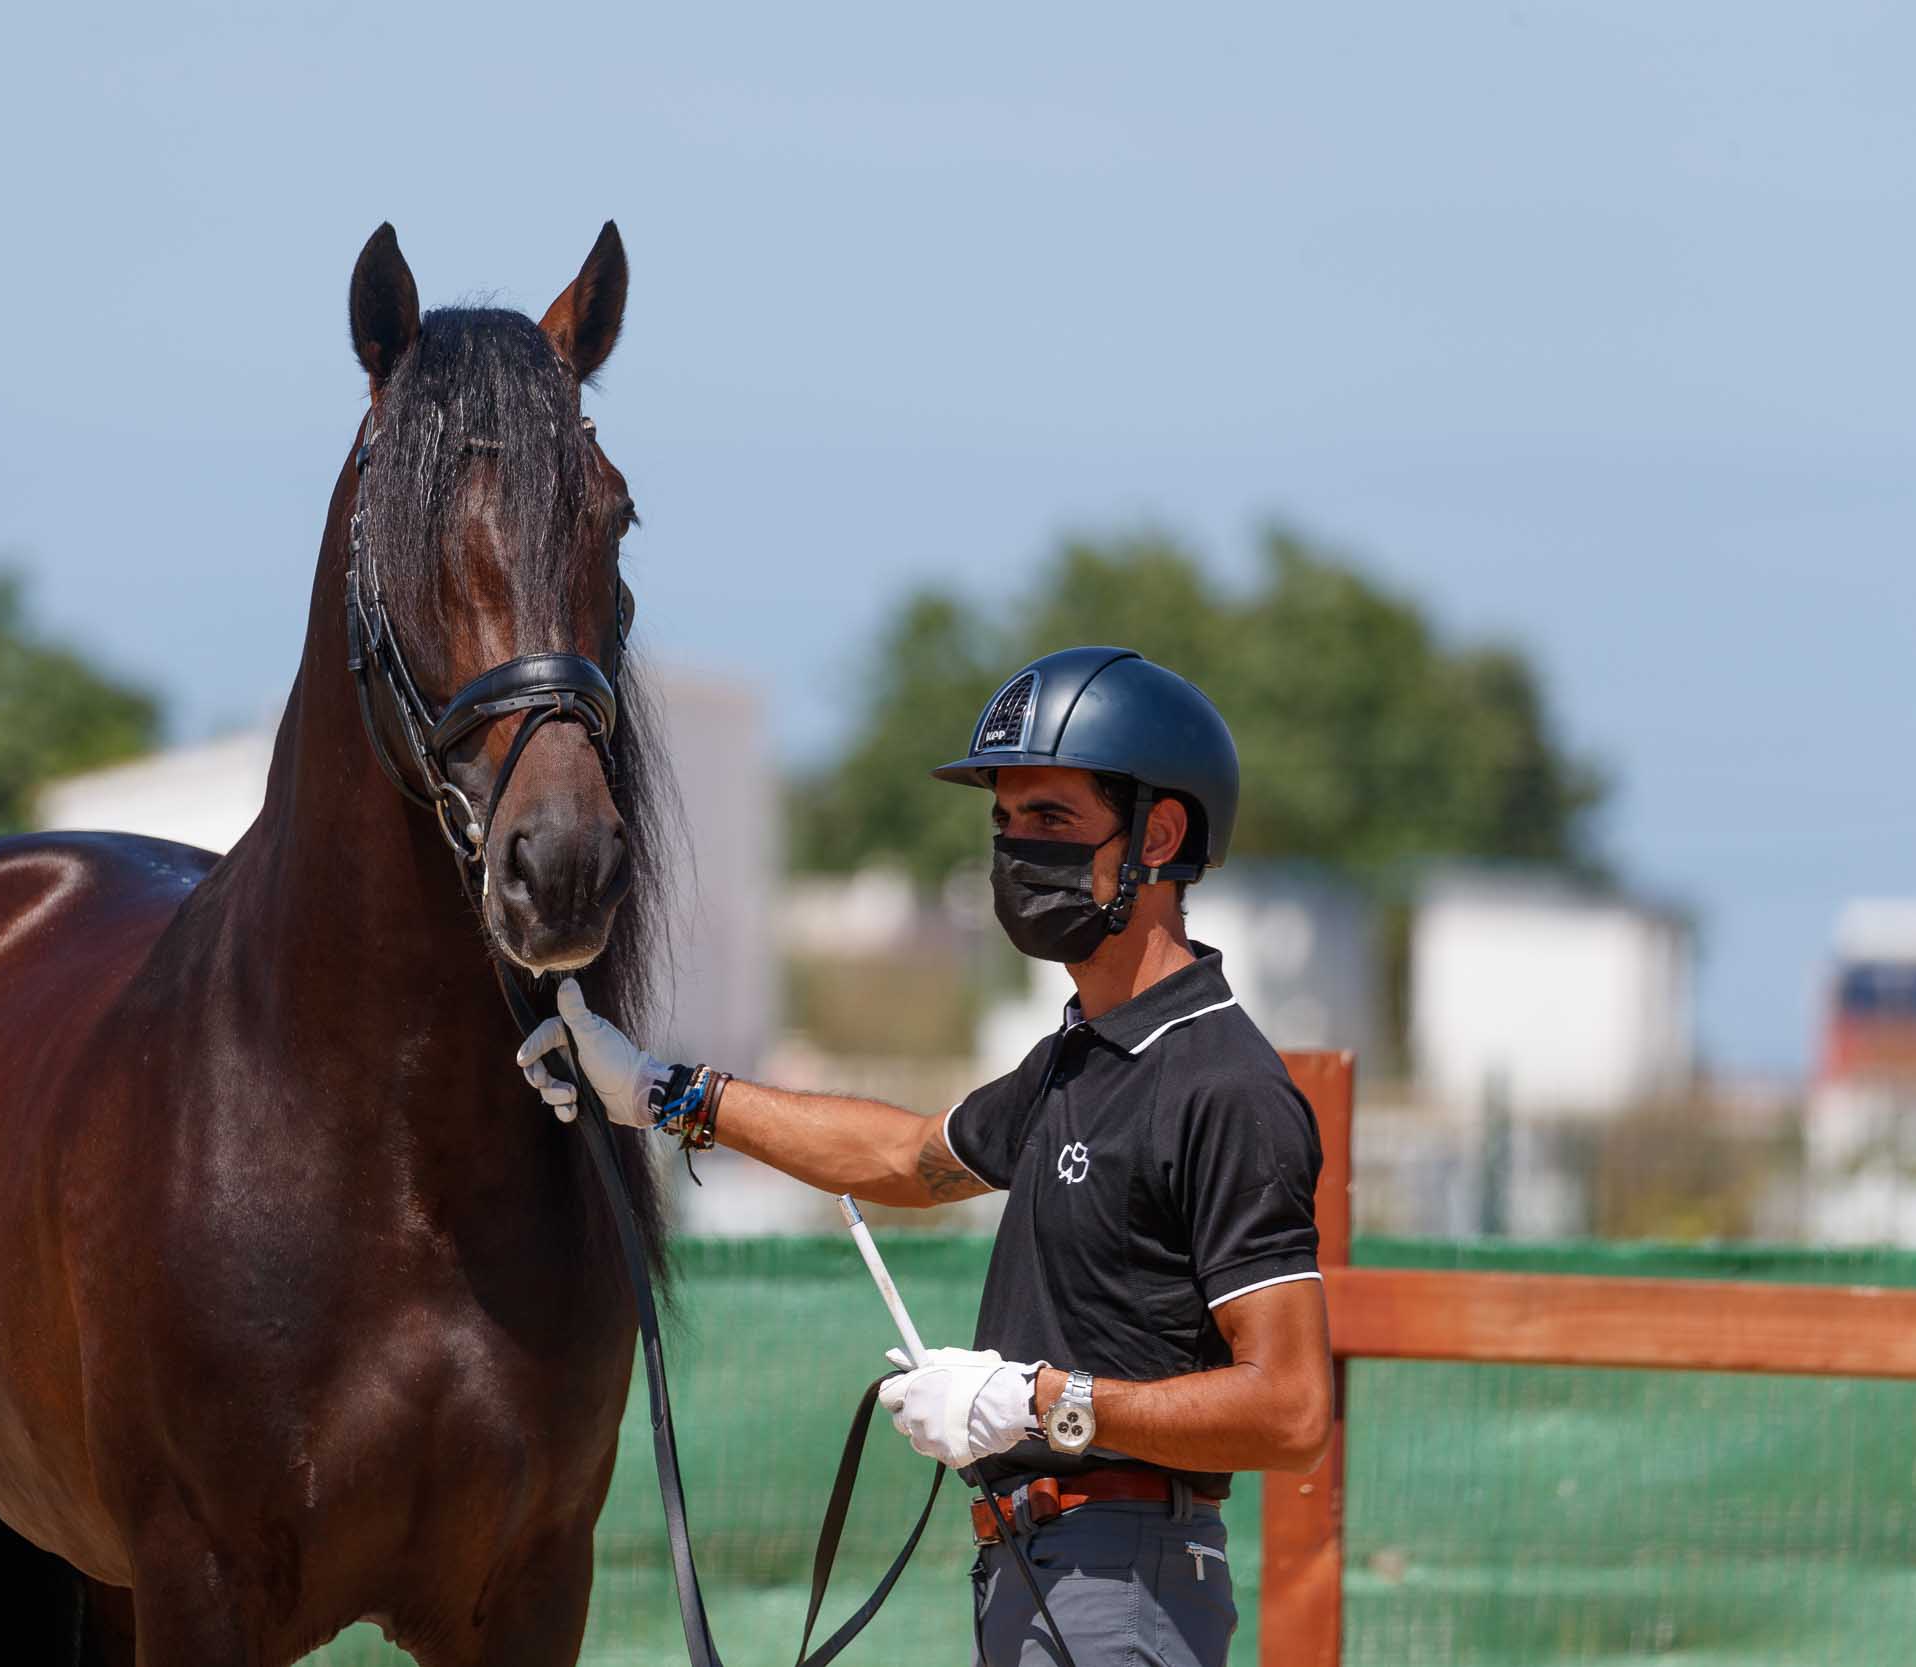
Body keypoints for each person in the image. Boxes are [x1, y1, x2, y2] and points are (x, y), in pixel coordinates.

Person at [517, 646, 1332, 1667]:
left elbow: (1291, 1407)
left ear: (1158, 834)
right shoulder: (1075, 1058)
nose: (1013, 852)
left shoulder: (1220, 1082)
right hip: (1039, 1565)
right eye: (1003, 825)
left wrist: (1032, 1401)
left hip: (1124, 1579)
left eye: (1049, 820)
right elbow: (907, 1155)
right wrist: (664, 1092)